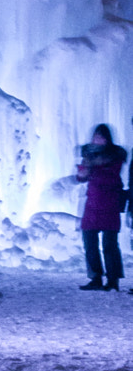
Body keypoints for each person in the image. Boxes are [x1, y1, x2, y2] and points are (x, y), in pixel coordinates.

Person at [74, 124, 126, 291]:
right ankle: (95, 277)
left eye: (100, 136)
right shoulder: (89, 155)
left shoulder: (114, 156)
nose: (97, 139)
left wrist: (92, 170)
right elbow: (83, 178)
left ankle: (113, 280)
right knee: (89, 241)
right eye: (95, 136)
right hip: (93, 203)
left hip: (109, 202)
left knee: (109, 244)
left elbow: (111, 177)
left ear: (107, 138)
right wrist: (82, 174)